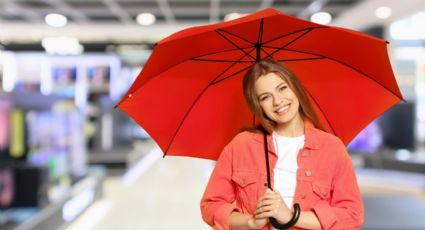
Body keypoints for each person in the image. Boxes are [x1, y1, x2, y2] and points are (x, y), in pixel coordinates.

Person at [200, 59, 364, 230]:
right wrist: (250, 222)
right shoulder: (241, 145)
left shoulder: (331, 148)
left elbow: (351, 216)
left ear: (295, 88)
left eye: (282, 88)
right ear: (258, 106)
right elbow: (211, 206)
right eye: (265, 97)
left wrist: (292, 217)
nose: (277, 101)